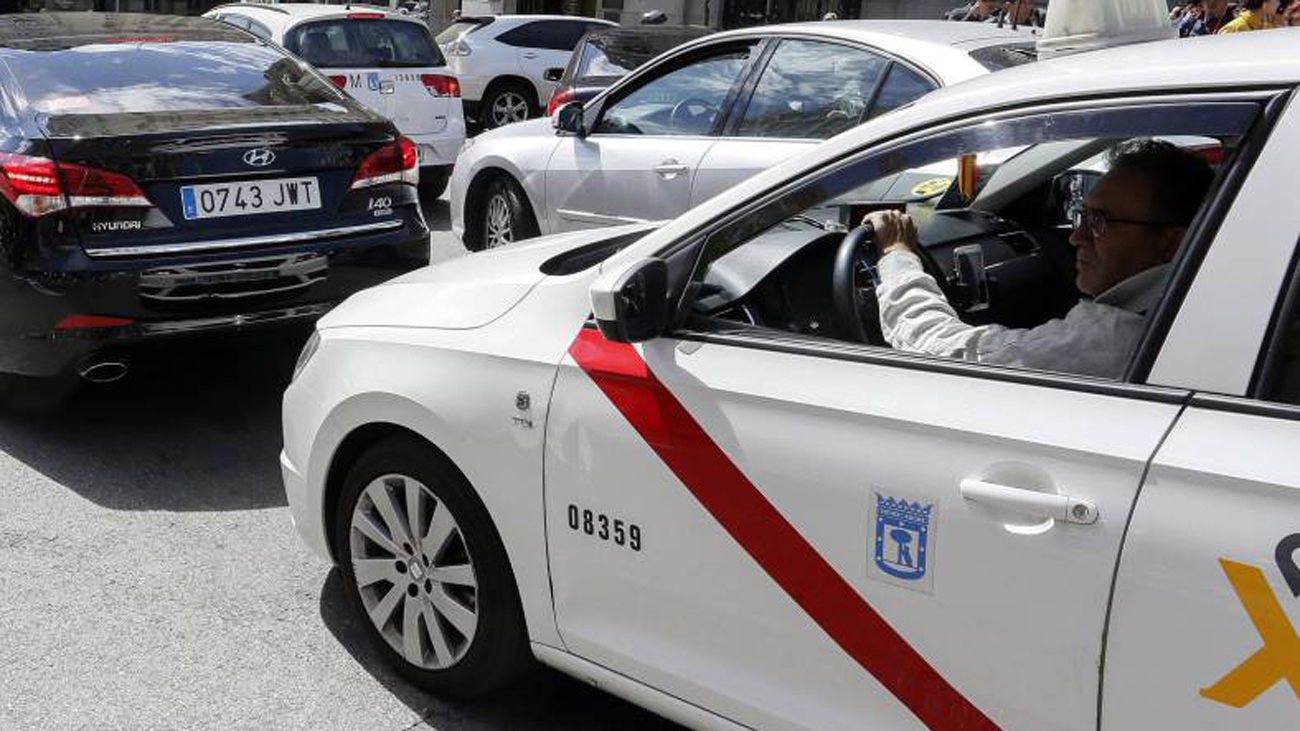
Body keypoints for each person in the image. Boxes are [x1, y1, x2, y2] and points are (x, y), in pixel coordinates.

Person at [865, 140, 1214, 380]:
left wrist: (897, 256)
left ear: (1172, 244)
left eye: (1100, 223)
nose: (1076, 237)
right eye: (1081, 216)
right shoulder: (1199, 303)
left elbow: (947, 353)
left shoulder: (1115, 338)